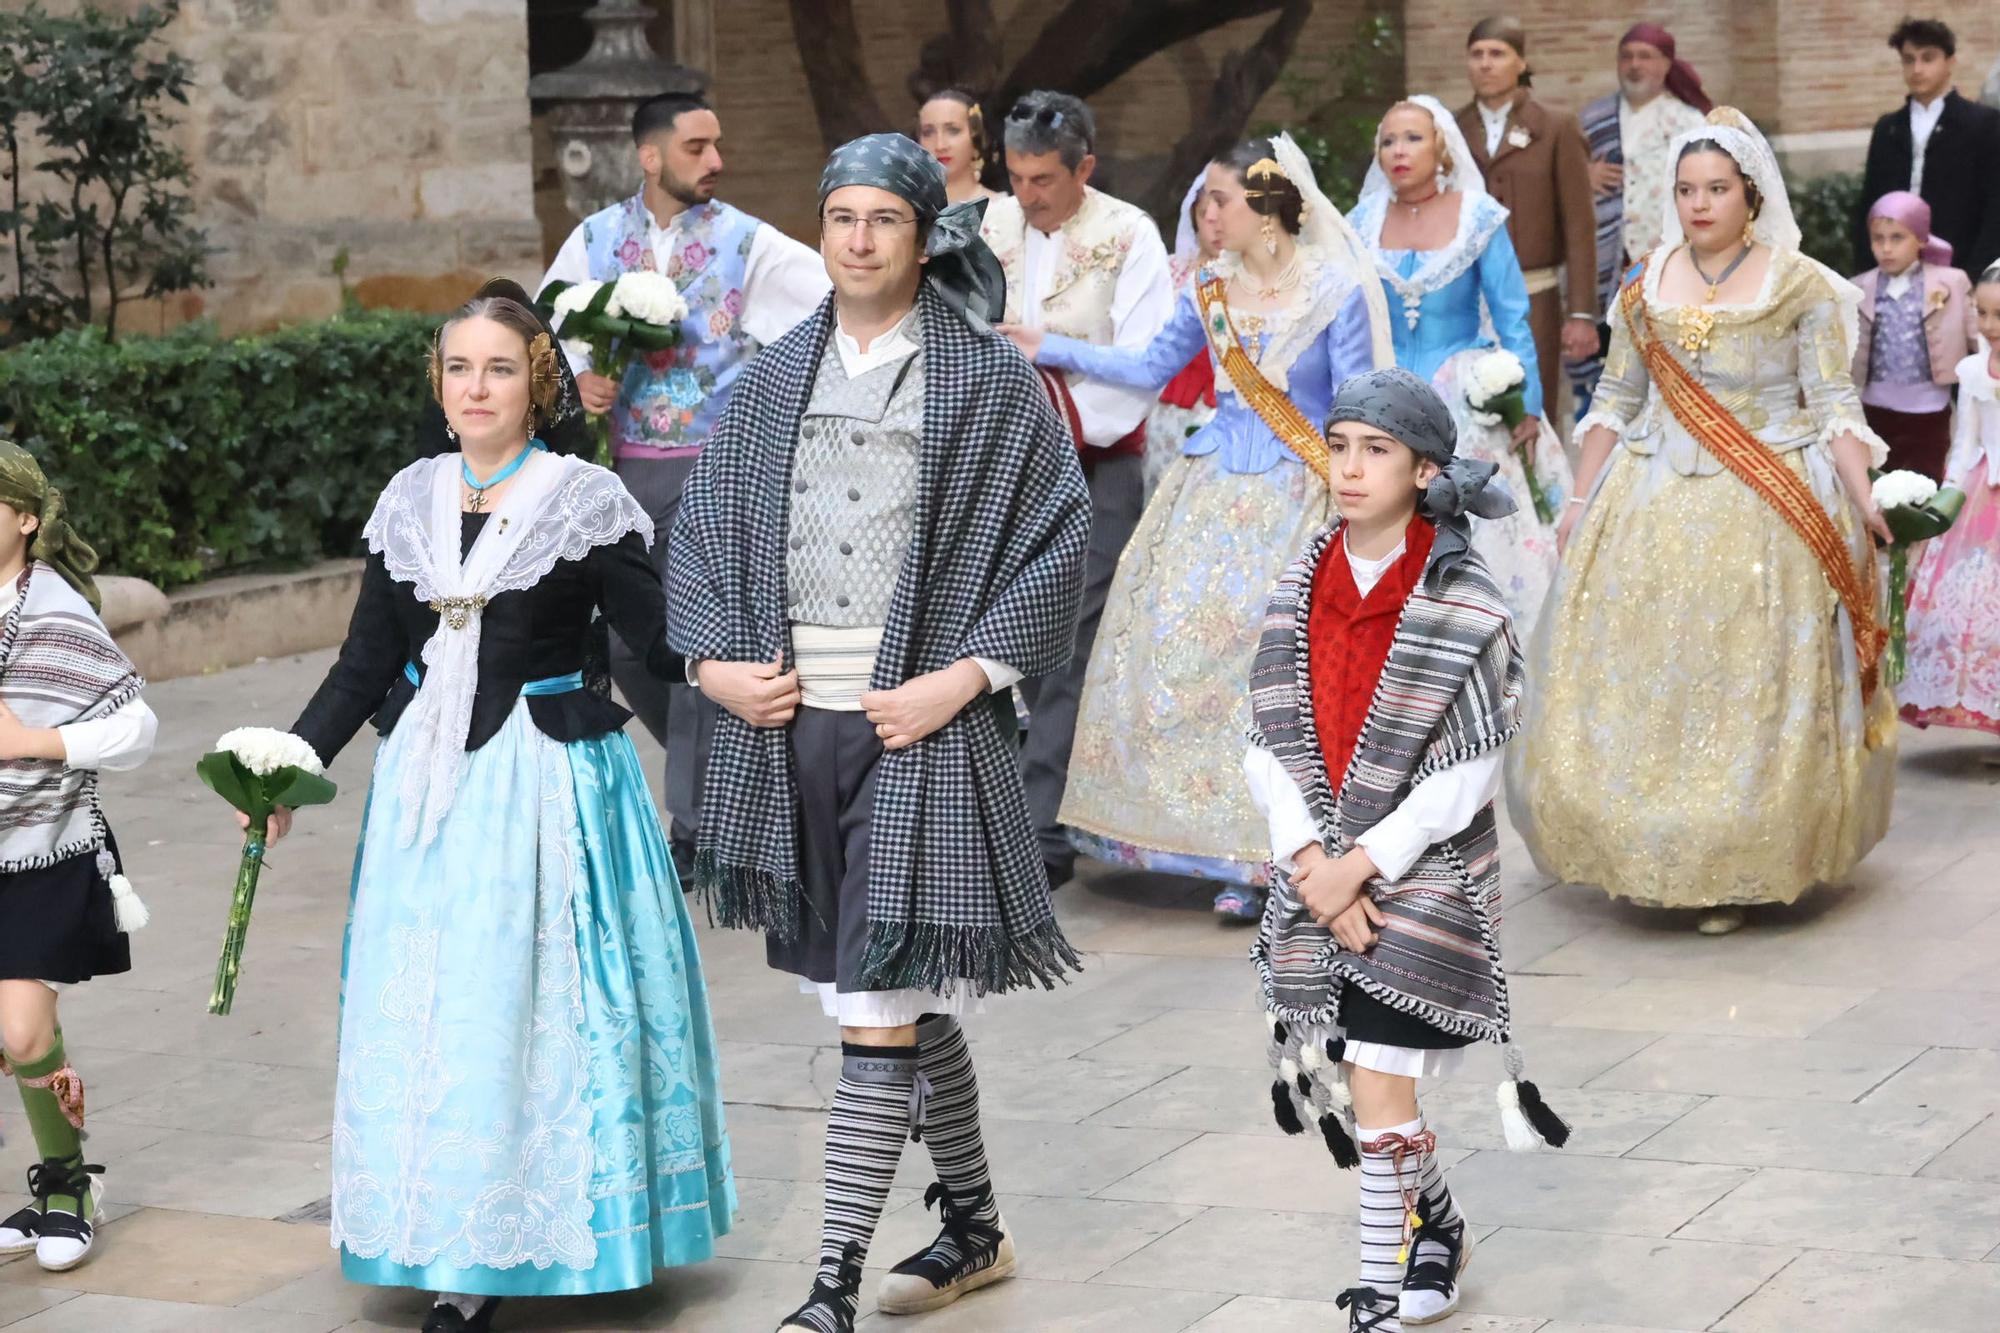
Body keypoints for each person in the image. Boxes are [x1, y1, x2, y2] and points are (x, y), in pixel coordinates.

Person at [668, 134, 1089, 1332]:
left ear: (922, 235)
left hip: (920, 732)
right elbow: (694, 540)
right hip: (787, 730)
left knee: (872, 1010)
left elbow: (1057, 541)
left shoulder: (988, 383)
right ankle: (972, 1226)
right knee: (877, 990)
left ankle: (830, 1284)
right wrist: (711, 668)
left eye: (881, 221)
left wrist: (960, 679)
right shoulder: (766, 379)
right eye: (839, 219)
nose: (856, 241)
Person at [268, 281, 734, 1332]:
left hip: (548, 787)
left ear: (538, 385)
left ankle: (555, 1223)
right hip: (429, 801)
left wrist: (733, 662)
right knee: (440, 1009)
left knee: (534, 1007)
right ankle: (449, 1237)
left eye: (498, 368)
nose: (476, 387)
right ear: (438, 388)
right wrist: (285, 769)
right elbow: (364, 662)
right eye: (458, 368)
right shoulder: (410, 499)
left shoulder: (582, 497)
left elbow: (654, 636)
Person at [1510, 109, 1898, 937]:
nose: (1698, 203)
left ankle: (1736, 854)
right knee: (1653, 667)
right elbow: (1615, 398)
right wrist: (1578, 501)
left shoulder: (1798, 285)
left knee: (1744, 675)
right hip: (1651, 494)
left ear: (1750, 195)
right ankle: (1645, 843)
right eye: (1686, 189)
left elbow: (1832, 401)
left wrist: (1862, 495)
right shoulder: (1643, 284)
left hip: (1766, 502)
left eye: (1716, 188)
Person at [1243, 368, 1565, 1333]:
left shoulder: (1465, 599)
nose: (1349, 467)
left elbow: (1466, 770)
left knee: (1377, 1068)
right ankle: (1439, 1226)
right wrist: (1310, 862)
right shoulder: (1302, 584)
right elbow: (1265, 735)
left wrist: (1362, 863)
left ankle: (1377, 1292)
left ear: (1426, 470)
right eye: (1338, 446)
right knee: (1368, 1068)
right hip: (1323, 867)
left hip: (1420, 873)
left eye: (1375, 451)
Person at [1003, 135, 1392, 919]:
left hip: (1296, 498)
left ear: (1271, 207)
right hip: (1208, 491)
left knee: (1270, 669)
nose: (1205, 214)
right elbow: (1150, 366)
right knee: (1178, 652)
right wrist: (1048, 346)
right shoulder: (1209, 286)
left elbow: (1357, 400)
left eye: (1221, 199)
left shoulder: (1335, 290)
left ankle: (1264, 858)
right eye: (1205, 200)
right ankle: (1187, 836)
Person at [539, 80, 829, 884]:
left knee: (700, 637)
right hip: (624, 473)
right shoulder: (595, 239)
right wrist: (580, 377)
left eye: (717, 145)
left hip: (720, 472)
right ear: (649, 155)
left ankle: (696, 826)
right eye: (697, 147)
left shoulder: (749, 242)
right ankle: (722, 779)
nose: (716, 160)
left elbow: (833, 311)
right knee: (635, 648)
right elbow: (539, 332)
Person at [981, 89, 1174, 890]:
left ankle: (1043, 832)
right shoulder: (985, 226)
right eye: (1018, 177)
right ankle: (1007, 804)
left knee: (1068, 640)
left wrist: (1047, 377)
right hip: (993, 465)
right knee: (996, 638)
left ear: (1084, 167)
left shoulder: (1130, 235)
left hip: (1094, 461)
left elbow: (1144, 363)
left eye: (1046, 180)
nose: (1029, 196)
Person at [0, 444, 155, 1275]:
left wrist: (35, 739)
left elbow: (138, 727)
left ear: (27, 519)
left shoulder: (54, 610)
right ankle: (60, 1181)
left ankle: (69, 1185)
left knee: (24, 1029)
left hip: (44, 848)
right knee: (13, 1034)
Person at [1350, 96, 1574, 636]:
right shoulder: (1359, 225)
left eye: (1413, 138)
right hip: (1381, 405)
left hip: (1462, 398)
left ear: (1443, 149)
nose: (1399, 151)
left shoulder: (1477, 218)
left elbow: (1513, 317)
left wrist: (1529, 404)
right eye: (1388, 141)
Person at [1457, 16, 1600, 439]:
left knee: (1532, 413)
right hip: (1465, 299)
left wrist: (1580, 313)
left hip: (1533, 295)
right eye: (1477, 54)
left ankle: (1538, 501)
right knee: (1466, 413)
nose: (1486, 64)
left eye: (1497, 54)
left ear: (1521, 63)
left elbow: (1579, 225)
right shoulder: (1450, 129)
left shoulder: (1556, 127)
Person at [1573, 24, 1711, 408]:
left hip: (1665, 262)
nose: (1634, 65)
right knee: (1605, 377)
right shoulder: (1593, 119)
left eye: (1645, 56)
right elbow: (1565, 176)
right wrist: (1583, 174)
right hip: (1606, 264)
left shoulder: (1689, 122)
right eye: (1627, 56)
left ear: (1667, 64)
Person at [1901, 262, 2000, 738]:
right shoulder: (1973, 370)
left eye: (1999, 314)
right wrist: (1947, 500)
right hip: (1986, 493)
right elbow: (1966, 443)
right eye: (1982, 313)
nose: (1989, 326)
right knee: (1972, 598)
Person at [1853, 18, 2000, 285]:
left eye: (1927, 58)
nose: (1917, 69)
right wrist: (1865, 273)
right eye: (1909, 60)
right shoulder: (1888, 128)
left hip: (1959, 268)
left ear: (1950, 62)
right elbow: (1870, 204)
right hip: (1892, 273)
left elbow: (1994, 208)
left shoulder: (1983, 124)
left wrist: (1975, 275)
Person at [1853, 191, 1978, 480]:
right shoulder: (1859, 287)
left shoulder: (1952, 282)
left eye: (1897, 237)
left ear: (1921, 238)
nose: (1886, 248)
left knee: (1926, 482)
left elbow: (1980, 336)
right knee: (1879, 486)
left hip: (1929, 410)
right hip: (1874, 408)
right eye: (1877, 238)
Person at [1142, 172, 1225, 496]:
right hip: (1169, 411)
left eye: (1224, 214)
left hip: (1226, 411)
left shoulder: (1257, 279)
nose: (1216, 225)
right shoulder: (1170, 270)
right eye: (1207, 214)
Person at [918, 89, 999, 205]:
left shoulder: (1004, 210)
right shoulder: (906, 210)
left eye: (953, 130)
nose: (940, 145)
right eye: (928, 132)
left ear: (976, 137)